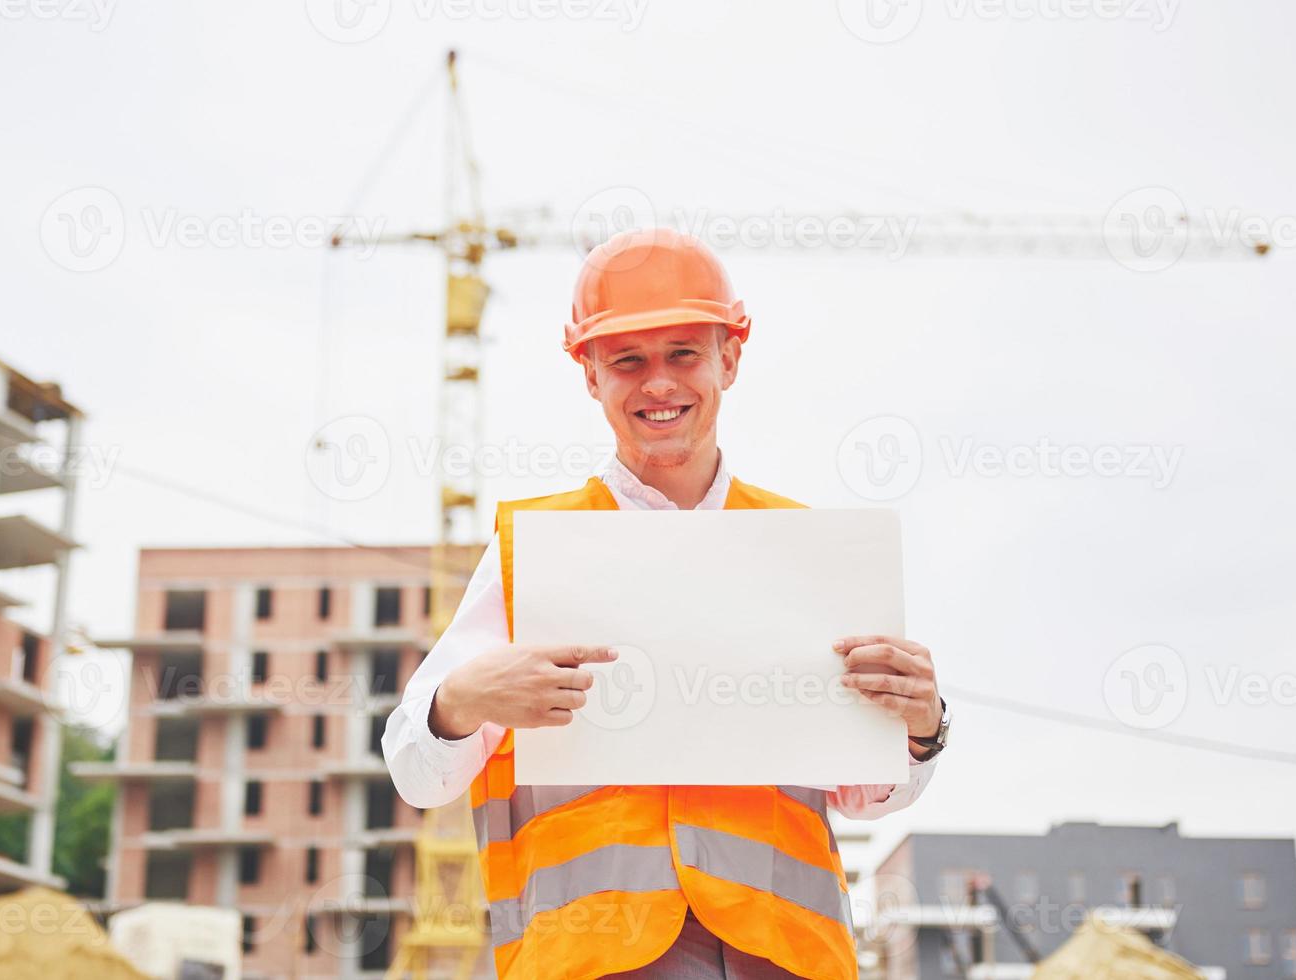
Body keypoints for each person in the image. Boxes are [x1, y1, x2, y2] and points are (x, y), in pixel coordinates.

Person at [383, 228, 951, 980]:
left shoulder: (805, 549)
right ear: (590, 375)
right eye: (627, 360)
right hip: (596, 959)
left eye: (683, 353)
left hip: (785, 957)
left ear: (730, 358)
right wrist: (461, 700)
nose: (658, 383)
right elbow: (419, 773)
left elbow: (866, 793)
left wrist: (921, 729)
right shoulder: (533, 553)